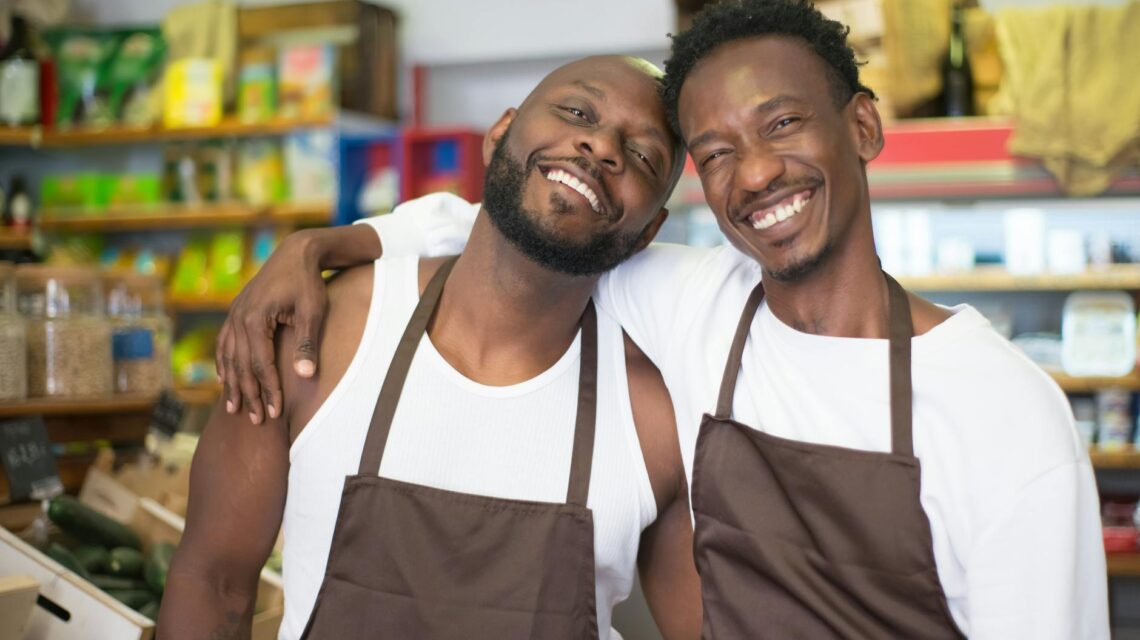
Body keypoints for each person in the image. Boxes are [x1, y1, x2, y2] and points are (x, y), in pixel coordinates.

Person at [218, 1, 1108, 638]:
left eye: (785, 124)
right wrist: (324, 244)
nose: (755, 174)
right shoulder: (695, 309)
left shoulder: (1003, 412)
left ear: (864, 129)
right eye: (716, 153)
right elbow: (515, 226)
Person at [162, 55, 702, 640]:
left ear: (650, 231)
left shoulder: (657, 415)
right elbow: (213, 585)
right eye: (577, 112)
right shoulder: (323, 334)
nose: (601, 147)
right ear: (500, 135)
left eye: (642, 156)